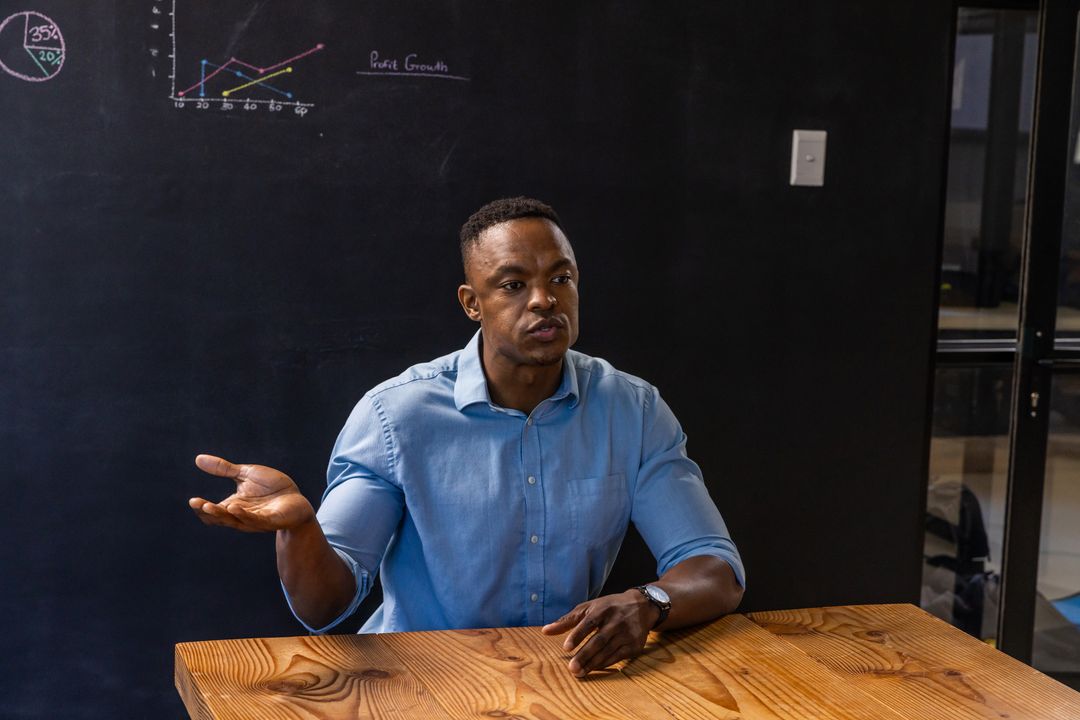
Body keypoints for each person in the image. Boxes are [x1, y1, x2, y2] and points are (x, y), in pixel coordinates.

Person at [189, 197, 745, 677]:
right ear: (471, 302)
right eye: (512, 284)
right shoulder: (397, 417)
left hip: (564, 679)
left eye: (561, 278)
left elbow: (714, 568)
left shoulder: (634, 410)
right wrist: (301, 530)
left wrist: (649, 601)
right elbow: (325, 607)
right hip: (421, 682)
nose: (544, 300)